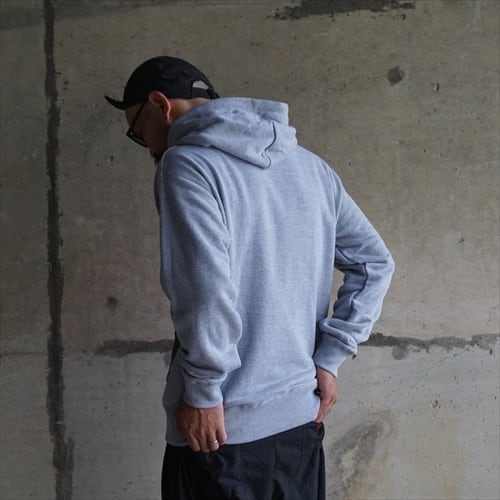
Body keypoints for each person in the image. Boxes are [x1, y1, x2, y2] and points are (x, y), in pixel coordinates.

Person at [105, 56, 394, 500]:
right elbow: (374, 263)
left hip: (221, 432)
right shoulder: (310, 167)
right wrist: (329, 358)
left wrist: (203, 392)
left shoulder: (186, 164)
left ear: (160, 104)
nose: (144, 146)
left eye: (136, 130)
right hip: (300, 423)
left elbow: (205, 290)